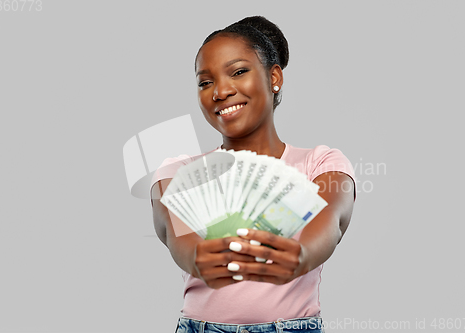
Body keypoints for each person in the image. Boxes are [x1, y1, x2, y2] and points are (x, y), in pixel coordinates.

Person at [151, 16, 356, 333]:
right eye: (205, 82)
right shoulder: (179, 170)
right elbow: (172, 228)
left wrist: (301, 255)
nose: (220, 91)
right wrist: (195, 256)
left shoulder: (322, 163)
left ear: (274, 77)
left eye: (238, 72)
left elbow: (331, 222)